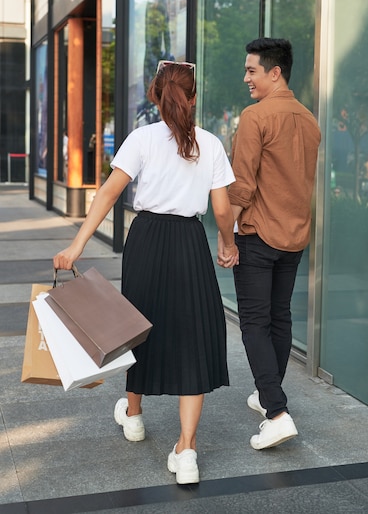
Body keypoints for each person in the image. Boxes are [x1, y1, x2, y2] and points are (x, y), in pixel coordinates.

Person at [53, 60, 239, 485]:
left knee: (135, 328)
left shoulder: (142, 139)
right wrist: (227, 244)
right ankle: (186, 451)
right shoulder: (209, 143)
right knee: (191, 337)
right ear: (193, 98)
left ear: (156, 95)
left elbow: (108, 194)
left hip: (148, 239)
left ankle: (133, 415)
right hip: (190, 242)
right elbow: (223, 209)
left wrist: (77, 245)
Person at [223, 37, 321, 450]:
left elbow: (241, 186)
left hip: (259, 235)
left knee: (254, 323)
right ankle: (269, 396)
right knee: (279, 318)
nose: (246, 77)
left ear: (274, 72)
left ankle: (277, 413)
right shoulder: (309, 119)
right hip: (295, 235)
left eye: (252, 70)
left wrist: (226, 236)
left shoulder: (255, 116)